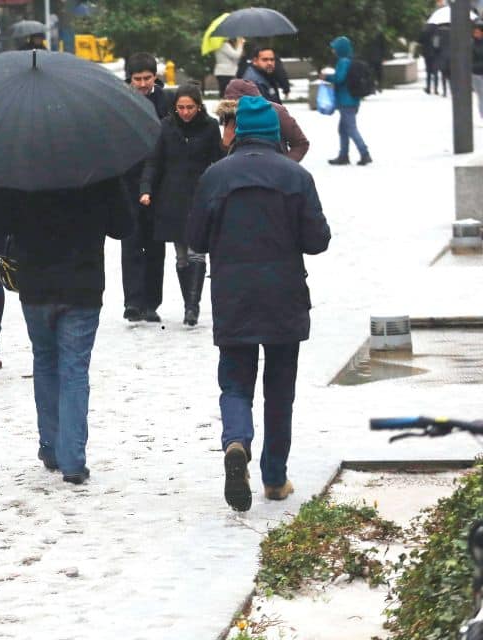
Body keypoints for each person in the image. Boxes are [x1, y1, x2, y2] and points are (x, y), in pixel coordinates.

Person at [186, 95, 331, 512]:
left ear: (239, 131)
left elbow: (195, 239)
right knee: (280, 390)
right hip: (284, 294)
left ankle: (236, 440)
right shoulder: (295, 175)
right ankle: (274, 478)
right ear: (273, 132)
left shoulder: (215, 176)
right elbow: (317, 241)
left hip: (233, 294)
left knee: (234, 381)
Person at [0, 179, 134, 484]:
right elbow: (123, 226)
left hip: (36, 283)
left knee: (45, 361)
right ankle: (73, 459)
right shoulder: (99, 171)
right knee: (74, 369)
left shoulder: (21, 168)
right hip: (82, 284)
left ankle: (51, 446)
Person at [138, 83, 223, 327]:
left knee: (197, 251)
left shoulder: (209, 127)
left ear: (199, 107)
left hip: (199, 193)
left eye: (190, 107)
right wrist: (146, 188)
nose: (185, 112)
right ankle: (188, 302)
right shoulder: (166, 126)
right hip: (172, 196)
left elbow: (217, 160)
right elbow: (154, 161)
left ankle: (192, 306)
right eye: (181, 107)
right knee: (182, 255)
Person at [120, 52, 171, 324]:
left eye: (147, 78)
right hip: (128, 179)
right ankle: (132, 301)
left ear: (155, 77)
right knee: (130, 242)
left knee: (155, 245)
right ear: (129, 78)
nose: (142, 84)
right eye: (137, 79)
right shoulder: (120, 99)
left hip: (159, 182)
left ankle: (152, 302)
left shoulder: (166, 101)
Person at [222, 79, 309, 162]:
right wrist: (225, 145)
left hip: (274, 166)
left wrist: (285, 164)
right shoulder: (230, 114)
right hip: (239, 168)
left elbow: (300, 143)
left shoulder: (277, 112)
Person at [326, 36, 372, 166]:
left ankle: (364, 153)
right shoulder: (350, 60)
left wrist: (327, 77)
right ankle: (343, 155)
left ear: (340, 49)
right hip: (352, 100)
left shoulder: (343, 62)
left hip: (346, 101)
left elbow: (339, 78)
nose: (333, 51)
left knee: (351, 129)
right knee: (343, 129)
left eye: (335, 48)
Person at [420, 23, 445, 96]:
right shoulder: (437, 31)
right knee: (435, 72)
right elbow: (438, 44)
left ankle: (428, 88)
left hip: (427, 54)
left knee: (428, 72)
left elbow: (420, 40)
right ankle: (435, 89)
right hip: (435, 54)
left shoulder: (425, 31)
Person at [473, 20, 483, 118]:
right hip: (476, 73)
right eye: (475, 32)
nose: (476, 34)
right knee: (481, 95)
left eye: (478, 32)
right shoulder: (471, 43)